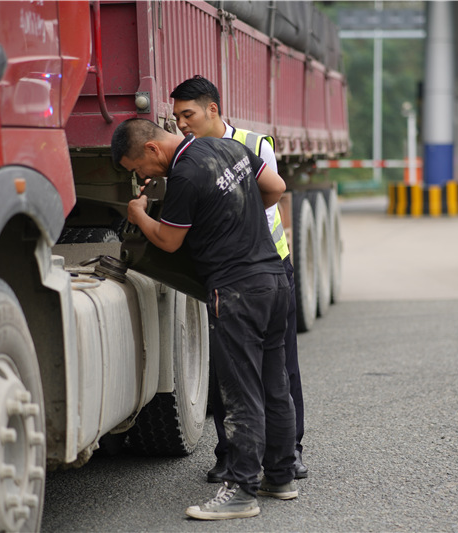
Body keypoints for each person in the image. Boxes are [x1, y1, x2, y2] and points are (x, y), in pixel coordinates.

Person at [111, 118, 297, 520]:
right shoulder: (230, 148)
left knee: (240, 391)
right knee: (274, 382)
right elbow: (275, 188)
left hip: (236, 291)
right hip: (274, 279)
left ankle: (242, 491)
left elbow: (169, 240)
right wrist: (235, 216)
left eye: (136, 168)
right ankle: (280, 476)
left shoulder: (186, 175)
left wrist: (139, 213)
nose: (140, 175)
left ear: (151, 150)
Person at [170, 75, 309, 481]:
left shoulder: (253, 144)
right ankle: (228, 451)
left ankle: (291, 450)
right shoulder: (189, 156)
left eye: (188, 114)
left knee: (282, 367)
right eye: (176, 117)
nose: (181, 124)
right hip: (225, 272)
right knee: (226, 367)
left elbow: (270, 197)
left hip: (267, 265)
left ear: (212, 109)